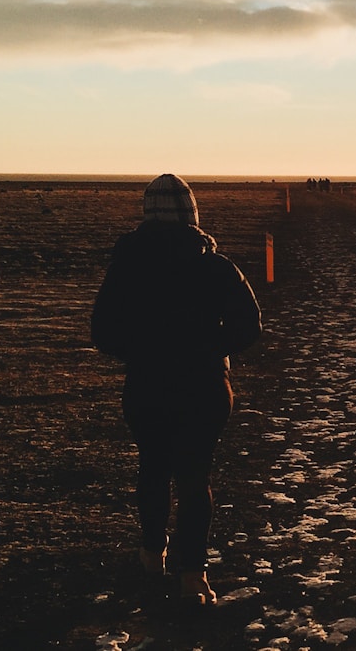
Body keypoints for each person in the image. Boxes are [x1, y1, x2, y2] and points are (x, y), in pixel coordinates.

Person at [91, 174, 262, 604]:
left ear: (147, 214)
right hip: (205, 386)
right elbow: (249, 326)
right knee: (193, 475)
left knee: (152, 467)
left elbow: (103, 331)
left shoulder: (126, 266)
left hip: (147, 385)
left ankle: (152, 554)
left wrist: (143, 352)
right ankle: (194, 577)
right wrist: (209, 349)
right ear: (193, 213)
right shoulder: (217, 267)